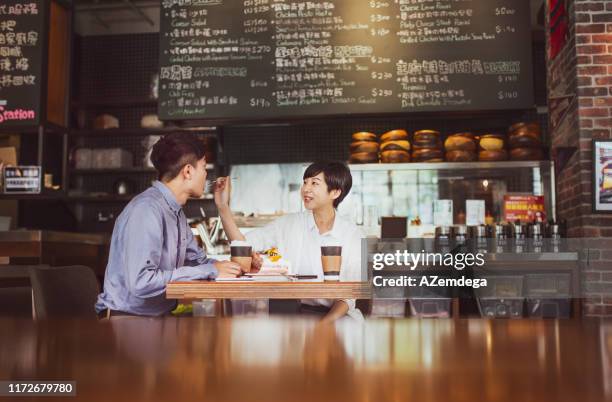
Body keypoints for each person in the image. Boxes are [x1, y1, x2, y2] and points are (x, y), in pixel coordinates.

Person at [95, 133, 241, 318]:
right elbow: (142, 282)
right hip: (128, 320)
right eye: (204, 167)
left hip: (158, 318)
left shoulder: (175, 211)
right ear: (188, 171)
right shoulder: (146, 210)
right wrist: (211, 270)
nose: (206, 175)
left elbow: (197, 262)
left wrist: (229, 267)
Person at [215, 161, 364, 322]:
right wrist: (223, 207)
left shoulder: (353, 235)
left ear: (335, 192)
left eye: (314, 183)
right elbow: (242, 244)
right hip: (299, 316)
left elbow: (349, 296)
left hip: (339, 318)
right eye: (305, 182)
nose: (306, 189)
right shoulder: (288, 224)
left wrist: (324, 326)